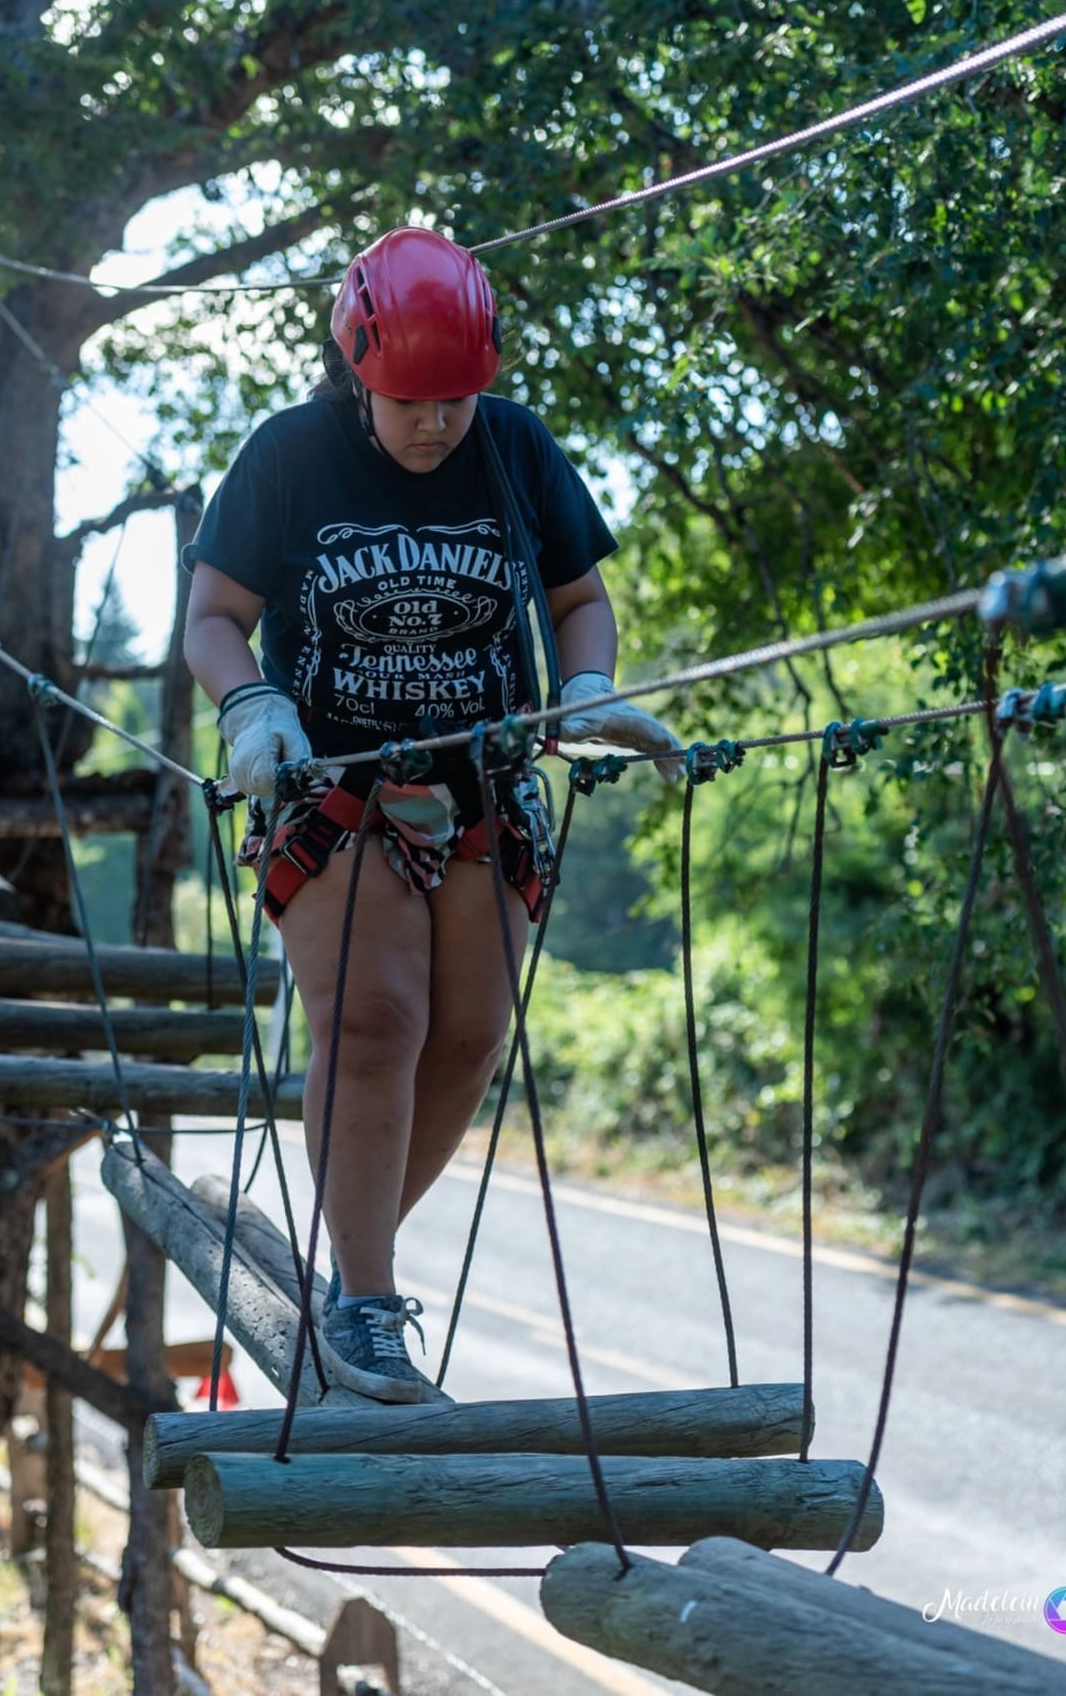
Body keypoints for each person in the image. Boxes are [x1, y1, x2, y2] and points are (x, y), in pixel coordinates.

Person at [184, 227, 681, 1402]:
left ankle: (348, 1260)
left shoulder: (512, 449)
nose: (437, 423)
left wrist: (589, 687)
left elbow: (577, 597)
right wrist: (251, 703)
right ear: (356, 368)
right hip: (333, 787)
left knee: (467, 1037)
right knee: (374, 1023)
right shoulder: (290, 456)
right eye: (411, 399)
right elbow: (213, 612)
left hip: (484, 786)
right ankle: (366, 1303)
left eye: (459, 397)